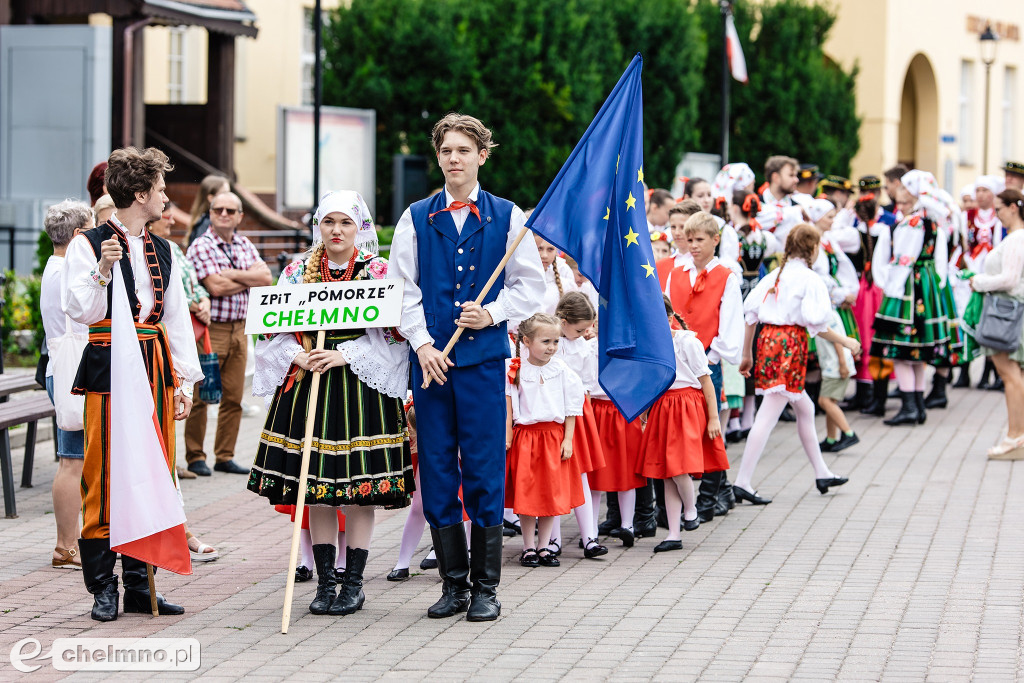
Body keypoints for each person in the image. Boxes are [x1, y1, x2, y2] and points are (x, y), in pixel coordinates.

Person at [389, 113, 545, 622]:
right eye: (446, 151)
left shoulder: (508, 216)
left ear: (482, 155)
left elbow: (530, 287)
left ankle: (486, 588)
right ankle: (452, 585)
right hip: (431, 364)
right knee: (435, 468)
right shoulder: (416, 217)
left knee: (482, 467)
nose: (453, 159)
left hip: (481, 363)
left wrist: (493, 312)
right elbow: (402, 291)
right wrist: (422, 344)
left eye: (463, 150)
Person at [248, 190, 412, 616]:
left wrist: (345, 353)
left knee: (360, 489)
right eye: (328, 222)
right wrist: (297, 354)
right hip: (311, 383)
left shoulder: (376, 271)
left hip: (359, 387)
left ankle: (353, 583)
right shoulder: (298, 271)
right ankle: (324, 582)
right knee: (316, 488)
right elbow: (273, 326)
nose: (336, 231)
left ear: (360, 227)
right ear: (318, 226)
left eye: (345, 223)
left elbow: (394, 334)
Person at [63, 147, 203, 621]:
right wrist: (102, 269)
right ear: (141, 194)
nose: (167, 196)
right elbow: (78, 309)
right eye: (161, 189)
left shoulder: (164, 248)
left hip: (153, 362)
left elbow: (177, 318)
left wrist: (184, 379)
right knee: (103, 474)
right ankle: (103, 587)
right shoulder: (89, 241)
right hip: (108, 362)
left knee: (155, 470)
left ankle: (141, 586)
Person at [734, 224, 859, 503]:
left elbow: (751, 315)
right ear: (813, 249)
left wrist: (748, 353)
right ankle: (742, 480)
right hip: (789, 345)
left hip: (769, 342)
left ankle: (822, 472)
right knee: (769, 412)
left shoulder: (776, 276)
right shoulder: (808, 279)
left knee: (805, 407)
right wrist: (846, 341)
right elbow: (817, 324)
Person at [145, 203, 220, 562]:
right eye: (163, 204)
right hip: (120, 361)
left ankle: (176, 530)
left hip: (163, 357)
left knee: (163, 454)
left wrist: (184, 383)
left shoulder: (169, 250)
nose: (172, 216)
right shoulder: (99, 245)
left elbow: (180, 303)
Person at [185, 191, 272, 476]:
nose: (224, 214)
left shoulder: (244, 242)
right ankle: (195, 455)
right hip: (212, 330)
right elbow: (215, 287)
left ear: (239, 216)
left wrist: (230, 274)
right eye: (218, 209)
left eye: (230, 211)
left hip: (241, 329)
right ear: (210, 213)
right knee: (201, 395)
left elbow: (265, 278)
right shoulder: (201, 245)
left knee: (234, 397)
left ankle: (225, 456)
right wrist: (246, 275)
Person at [664, 212, 742, 521]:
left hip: (706, 362)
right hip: (676, 362)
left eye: (699, 240)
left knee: (710, 426)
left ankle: (709, 497)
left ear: (715, 240)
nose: (692, 245)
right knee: (679, 430)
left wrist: (709, 357)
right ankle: (686, 500)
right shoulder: (677, 272)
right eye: (689, 239)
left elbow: (731, 323)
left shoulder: (726, 275)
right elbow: (667, 312)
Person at [638, 296, 726, 552]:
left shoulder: (687, 342)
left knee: (679, 469)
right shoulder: (651, 345)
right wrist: (646, 408)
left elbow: (706, 380)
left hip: (686, 406)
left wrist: (713, 417)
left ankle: (691, 508)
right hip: (663, 407)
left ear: (668, 318)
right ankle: (674, 533)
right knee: (667, 474)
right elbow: (651, 381)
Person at [871, 171, 954, 426]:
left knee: (900, 351)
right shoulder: (932, 223)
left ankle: (910, 406)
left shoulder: (911, 224)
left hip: (908, 288)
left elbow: (902, 261)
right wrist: (936, 286)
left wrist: (890, 290)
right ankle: (917, 406)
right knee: (915, 354)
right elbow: (941, 263)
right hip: (925, 288)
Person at [505, 313, 584, 568]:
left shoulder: (560, 369)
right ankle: (528, 547)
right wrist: (509, 435)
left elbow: (572, 405)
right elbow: (510, 404)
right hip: (526, 437)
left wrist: (568, 439)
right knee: (527, 493)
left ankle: (545, 547)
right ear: (526, 341)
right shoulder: (515, 368)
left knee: (551, 494)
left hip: (553, 436)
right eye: (546, 341)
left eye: (555, 341)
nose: (552, 347)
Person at [41, 200, 92, 570]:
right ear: (77, 235)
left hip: (61, 366)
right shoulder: (65, 272)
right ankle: (66, 544)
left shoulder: (54, 266)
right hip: (70, 368)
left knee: (72, 459)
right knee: (72, 460)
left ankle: (69, 542)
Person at [969, 189, 1024, 459]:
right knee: (1013, 375)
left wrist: (978, 282)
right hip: (1010, 310)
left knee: (1010, 375)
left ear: (1014, 208)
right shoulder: (1016, 237)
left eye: (999, 208)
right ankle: (1016, 435)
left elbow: (1010, 279)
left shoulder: (1017, 238)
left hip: (1007, 312)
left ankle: (1015, 436)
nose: (997, 214)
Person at [554, 292, 608, 559]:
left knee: (581, 474)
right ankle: (552, 539)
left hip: (577, 411)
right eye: (580, 329)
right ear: (563, 321)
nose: (585, 333)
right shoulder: (551, 342)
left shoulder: (583, 346)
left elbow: (587, 383)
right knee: (553, 476)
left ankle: (590, 536)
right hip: (552, 412)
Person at [816, 309, 859, 452]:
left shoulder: (826, 314)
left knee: (825, 401)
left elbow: (837, 341)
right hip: (831, 365)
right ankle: (831, 438)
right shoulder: (825, 312)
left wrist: (842, 364)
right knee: (831, 403)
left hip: (835, 366)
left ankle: (848, 433)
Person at [534, 231, 577, 315]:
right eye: (539, 248)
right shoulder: (515, 279)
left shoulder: (566, 285)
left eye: (550, 249)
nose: (544, 255)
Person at [186, 174, 231, 247]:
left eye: (229, 193)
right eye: (224, 193)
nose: (229, 197)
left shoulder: (208, 221)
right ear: (211, 198)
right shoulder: (206, 224)